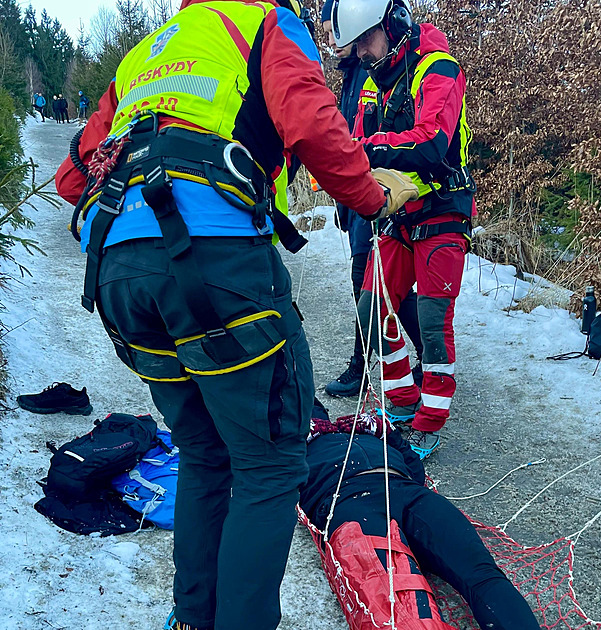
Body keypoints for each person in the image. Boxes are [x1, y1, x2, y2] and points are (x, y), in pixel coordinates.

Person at [55, 0, 417, 628]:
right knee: (270, 462)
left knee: (202, 451)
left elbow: (71, 178)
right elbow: (311, 121)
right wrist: (373, 194)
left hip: (118, 272)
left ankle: (192, 619)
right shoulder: (262, 22)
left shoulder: (148, 51)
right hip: (211, 260)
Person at [332, 0, 476, 458]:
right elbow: (358, 140)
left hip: (441, 211)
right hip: (399, 214)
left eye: (363, 43)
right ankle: (401, 405)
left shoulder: (438, 68)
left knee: (432, 322)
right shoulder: (376, 81)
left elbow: (432, 142)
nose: (360, 56)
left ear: (391, 25)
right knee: (372, 308)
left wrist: (365, 150)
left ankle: (430, 421)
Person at [300, 403, 541, 630]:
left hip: (409, 492)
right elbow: (277, 492)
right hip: (349, 502)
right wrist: (289, 444)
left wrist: (388, 433)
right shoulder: (289, 450)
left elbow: (416, 472)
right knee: (396, 606)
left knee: (481, 574)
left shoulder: (363, 431)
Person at [320, 0, 423, 398]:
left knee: (371, 282)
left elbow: (368, 139)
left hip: (376, 192)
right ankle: (402, 359)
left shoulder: (374, 71)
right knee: (368, 281)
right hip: (356, 195)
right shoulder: (350, 76)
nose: (333, 40)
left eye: (334, 31)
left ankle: (371, 365)